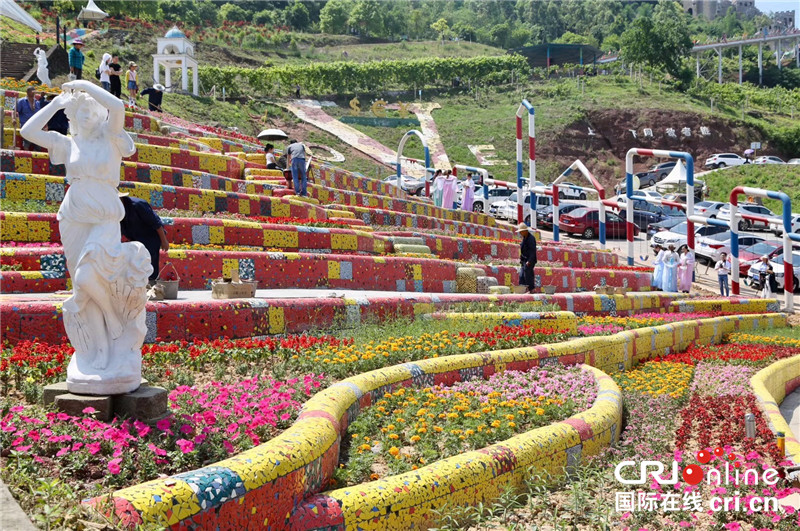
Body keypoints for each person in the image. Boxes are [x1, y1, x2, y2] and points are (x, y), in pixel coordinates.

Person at [20, 79, 151, 370]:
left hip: (104, 214)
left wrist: (83, 85)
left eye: (91, 109)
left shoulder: (112, 137)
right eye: (79, 111)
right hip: (74, 216)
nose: (85, 115)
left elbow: (117, 105)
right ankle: (99, 350)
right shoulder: (67, 144)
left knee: (86, 278)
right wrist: (55, 103)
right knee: (83, 289)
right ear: (73, 116)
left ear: (100, 111)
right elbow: (27, 131)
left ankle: (115, 322)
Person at [119, 193, 169, 283]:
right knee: (136, 264)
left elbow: (156, 223)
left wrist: (164, 241)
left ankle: (152, 285)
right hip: (135, 238)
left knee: (150, 263)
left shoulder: (138, 205)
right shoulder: (117, 210)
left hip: (150, 237)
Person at [517, 223, 537, 294]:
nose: (520, 233)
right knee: (522, 275)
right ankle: (522, 289)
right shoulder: (525, 238)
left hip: (529, 260)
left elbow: (532, 251)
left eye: (521, 232)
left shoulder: (531, 239)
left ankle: (531, 289)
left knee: (528, 274)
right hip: (524, 260)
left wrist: (529, 261)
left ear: (525, 231)